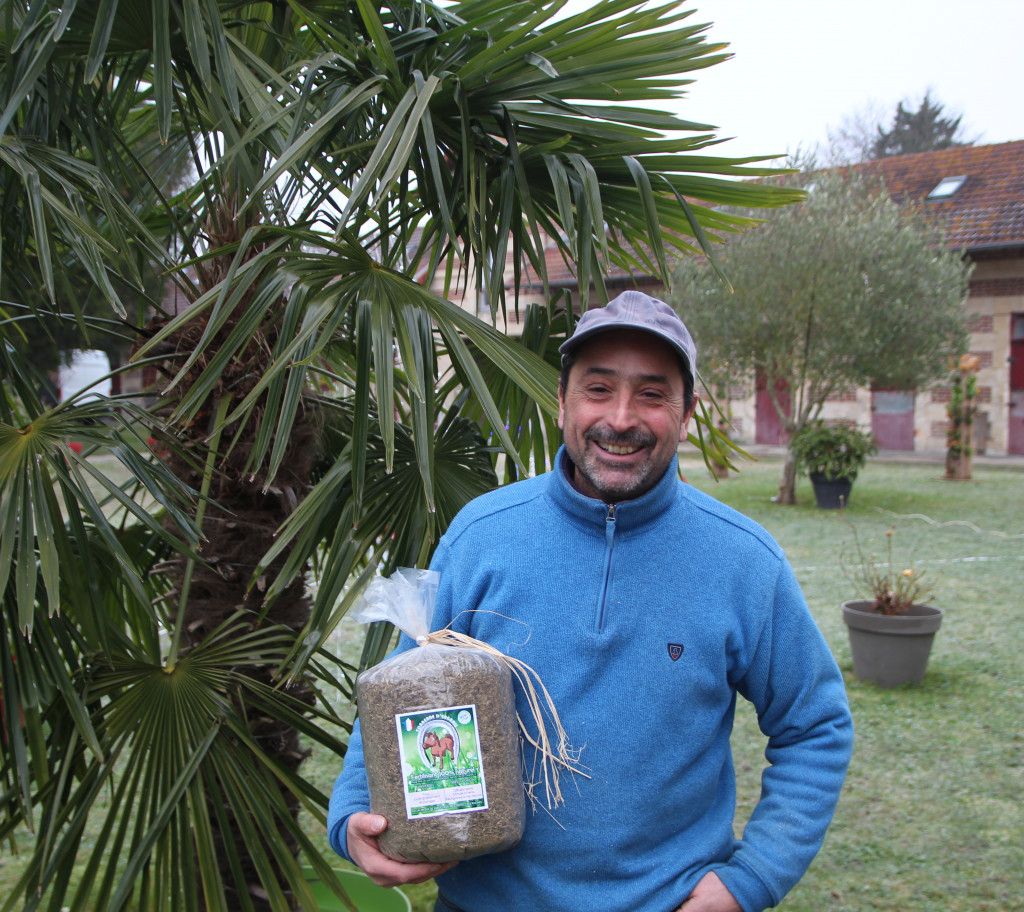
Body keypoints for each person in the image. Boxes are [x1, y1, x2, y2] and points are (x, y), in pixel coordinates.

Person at [326, 290, 854, 912]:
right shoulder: (483, 536)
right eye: (598, 389)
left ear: (687, 415)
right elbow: (395, 697)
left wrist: (748, 881)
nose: (622, 418)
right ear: (562, 402)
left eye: (653, 394)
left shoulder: (742, 562)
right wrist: (354, 814)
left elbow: (814, 726)